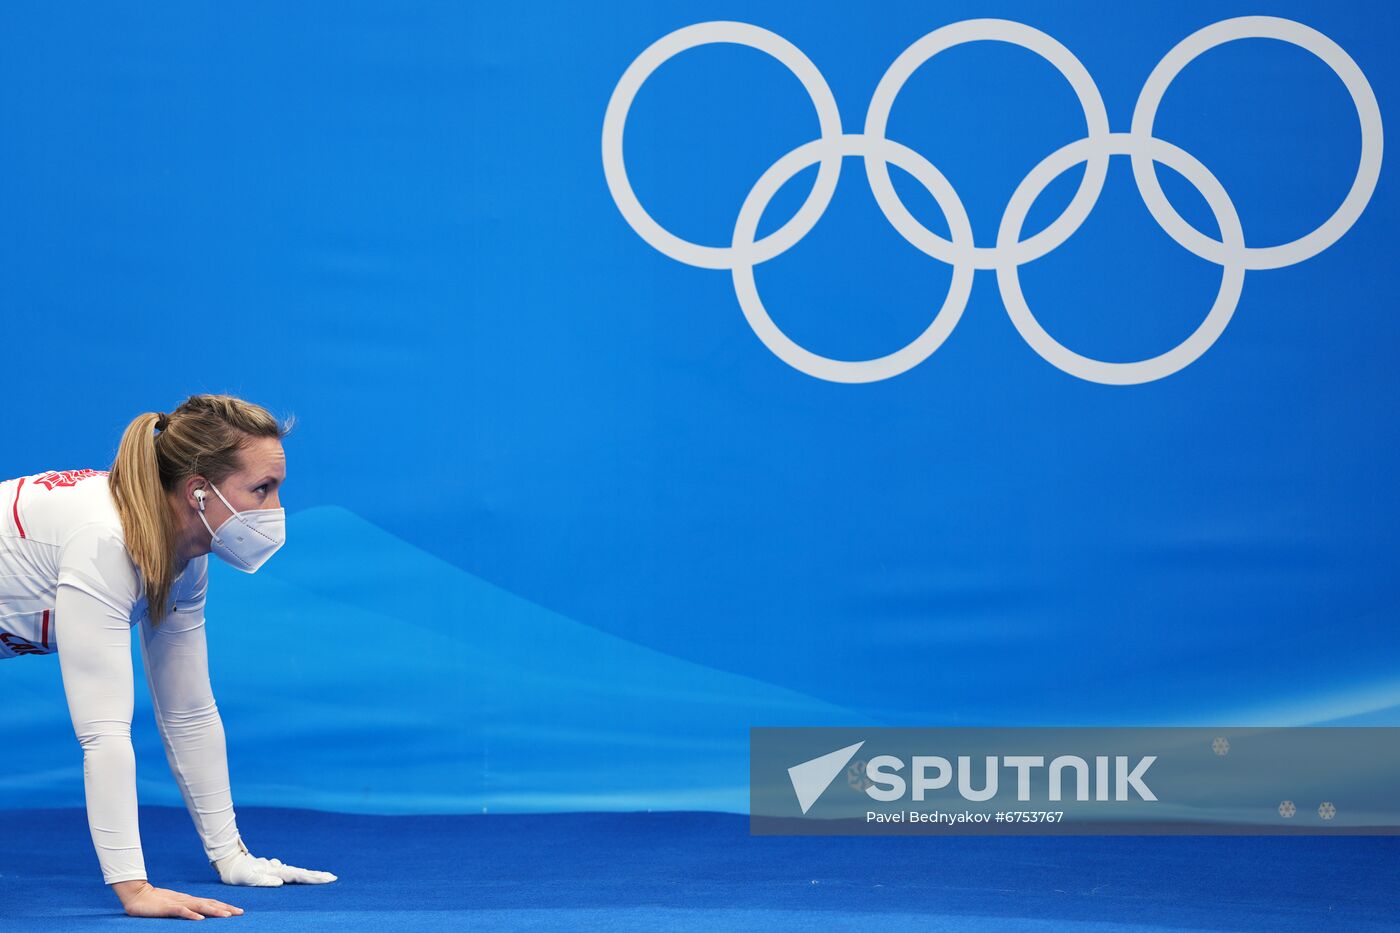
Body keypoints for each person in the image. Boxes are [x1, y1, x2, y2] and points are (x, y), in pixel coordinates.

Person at [0, 394, 337, 920]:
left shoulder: (187, 554)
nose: (275, 512)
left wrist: (231, 856)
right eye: (261, 489)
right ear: (199, 492)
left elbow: (189, 712)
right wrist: (134, 889)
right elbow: (103, 734)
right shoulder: (106, 543)